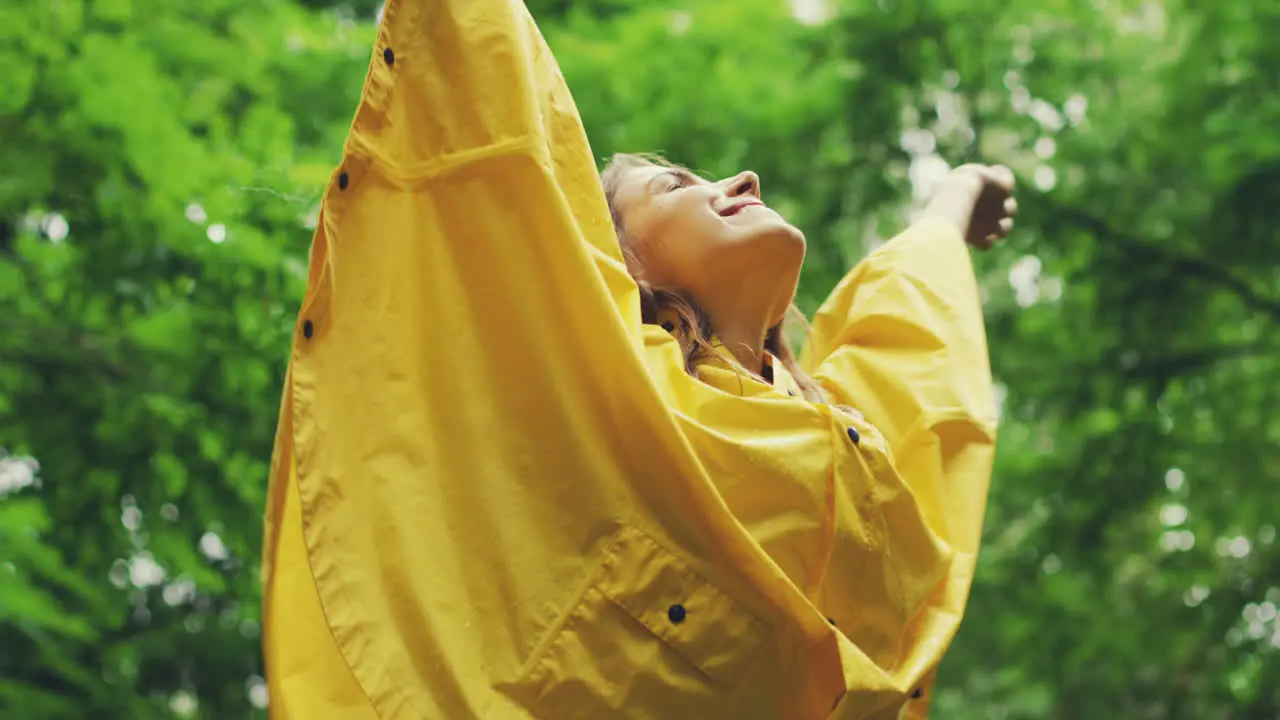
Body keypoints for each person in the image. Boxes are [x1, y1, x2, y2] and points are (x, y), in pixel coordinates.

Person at [260, 2, 1014, 719]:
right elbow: (500, 132)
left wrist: (953, 201)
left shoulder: (844, 437)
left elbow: (909, 362)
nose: (744, 182)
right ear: (618, 264)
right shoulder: (605, 381)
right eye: (675, 186)